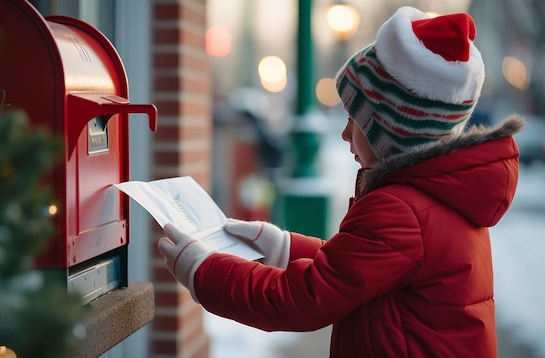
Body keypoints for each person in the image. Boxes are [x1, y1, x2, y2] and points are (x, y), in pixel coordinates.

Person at [158, 6, 523, 357]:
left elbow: (301, 298)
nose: (346, 134)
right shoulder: (436, 197)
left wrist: (204, 271)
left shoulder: (400, 209)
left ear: (390, 133)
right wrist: (282, 248)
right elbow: (357, 270)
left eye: (357, 121)